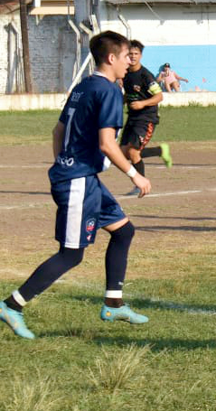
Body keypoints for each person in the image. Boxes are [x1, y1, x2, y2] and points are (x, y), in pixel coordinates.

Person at [0, 31, 152, 340]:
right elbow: (108, 144)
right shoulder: (109, 91)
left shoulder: (84, 86)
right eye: (126, 56)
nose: (130, 62)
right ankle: (12, 306)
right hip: (78, 181)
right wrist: (135, 175)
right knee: (71, 254)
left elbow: (57, 131)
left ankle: (113, 303)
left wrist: (63, 163)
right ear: (111, 58)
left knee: (124, 231)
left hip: (83, 178)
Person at [120, 40, 173, 196]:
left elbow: (159, 96)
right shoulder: (125, 73)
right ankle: (160, 150)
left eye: (136, 54)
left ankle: (140, 185)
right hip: (132, 117)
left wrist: (142, 104)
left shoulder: (146, 76)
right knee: (122, 153)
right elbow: (129, 94)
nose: (133, 57)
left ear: (141, 56)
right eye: (130, 54)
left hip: (146, 118)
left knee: (133, 152)